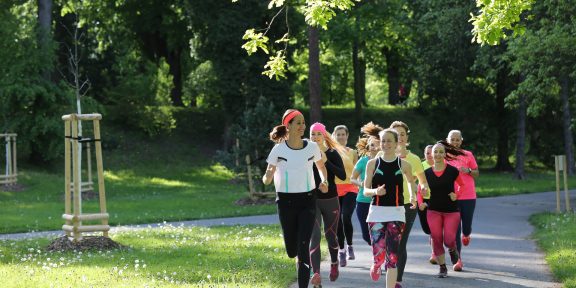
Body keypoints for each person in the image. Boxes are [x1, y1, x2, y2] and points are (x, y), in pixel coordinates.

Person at [262, 109, 329, 288]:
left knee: (303, 248)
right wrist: (268, 177)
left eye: (303, 122)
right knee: (292, 250)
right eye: (298, 122)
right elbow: (268, 174)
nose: (302, 126)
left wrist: (324, 180)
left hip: (308, 200)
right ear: (288, 126)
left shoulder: (312, 147)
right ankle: (294, 253)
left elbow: (321, 166)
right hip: (285, 202)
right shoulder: (278, 149)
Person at [364, 128, 417, 288]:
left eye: (389, 141)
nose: (386, 144)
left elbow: (410, 182)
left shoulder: (404, 164)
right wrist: (375, 191)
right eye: (383, 141)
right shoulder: (372, 163)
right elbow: (366, 190)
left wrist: (413, 196)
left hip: (397, 213)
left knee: (393, 257)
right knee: (380, 255)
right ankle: (376, 263)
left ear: (396, 143)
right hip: (376, 214)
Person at [388, 121, 429, 288]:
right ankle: (386, 266)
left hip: (408, 205)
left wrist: (424, 187)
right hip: (387, 205)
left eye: (402, 135)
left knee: (400, 243)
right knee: (389, 242)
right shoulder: (383, 157)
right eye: (396, 135)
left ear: (406, 138)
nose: (400, 138)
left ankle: (397, 280)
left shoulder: (414, 159)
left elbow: (422, 180)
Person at [308, 122, 346, 287]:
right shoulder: (306, 153)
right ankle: (316, 276)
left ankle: (334, 262)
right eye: (312, 134)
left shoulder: (332, 153)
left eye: (318, 134)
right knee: (314, 237)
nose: (315, 137)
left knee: (331, 235)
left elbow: (343, 175)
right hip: (312, 201)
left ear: (324, 136)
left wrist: (326, 161)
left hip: (331, 200)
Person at [424, 141, 466, 278]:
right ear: (431, 154)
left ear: (445, 154)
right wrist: (422, 197)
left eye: (441, 152)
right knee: (436, 238)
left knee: (448, 240)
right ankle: (442, 268)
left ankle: (453, 249)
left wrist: (457, 195)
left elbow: (462, 185)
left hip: (451, 211)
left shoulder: (452, 171)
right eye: (435, 152)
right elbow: (420, 189)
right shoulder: (427, 173)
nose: (438, 154)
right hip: (433, 210)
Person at [446, 130, 479, 271]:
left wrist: (469, 171)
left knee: (465, 227)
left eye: (457, 139)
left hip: (468, 196)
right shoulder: (444, 155)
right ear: (447, 140)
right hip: (451, 196)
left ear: (461, 140)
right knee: (454, 230)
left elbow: (477, 173)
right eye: (452, 139)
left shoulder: (468, 155)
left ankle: (466, 235)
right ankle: (458, 259)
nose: (455, 142)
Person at [351, 122, 383, 245]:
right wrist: (361, 184)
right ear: (368, 146)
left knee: (379, 232)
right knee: (366, 235)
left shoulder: (385, 161)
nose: (375, 147)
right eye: (372, 145)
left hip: (380, 201)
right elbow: (352, 178)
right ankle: (377, 250)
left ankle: (379, 255)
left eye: (377, 144)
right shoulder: (363, 161)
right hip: (363, 200)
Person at [332, 125, 359, 266]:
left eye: (343, 134)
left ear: (347, 136)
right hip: (335, 189)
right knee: (338, 221)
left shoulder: (353, 152)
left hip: (350, 188)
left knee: (346, 216)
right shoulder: (331, 152)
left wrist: (360, 183)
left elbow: (357, 171)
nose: (341, 137)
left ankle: (350, 246)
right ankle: (341, 250)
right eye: (338, 134)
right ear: (334, 136)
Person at [418, 145, 435, 264]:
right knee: (426, 228)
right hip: (423, 200)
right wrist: (420, 202)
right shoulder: (421, 166)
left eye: (431, 152)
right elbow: (416, 187)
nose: (429, 155)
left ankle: (434, 253)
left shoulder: (440, 165)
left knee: (435, 229)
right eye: (427, 153)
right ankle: (433, 238)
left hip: (437, 200)